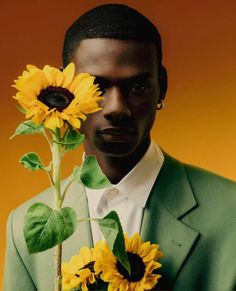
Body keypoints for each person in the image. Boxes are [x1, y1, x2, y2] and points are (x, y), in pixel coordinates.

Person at [3, 4, 236, 291]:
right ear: (65, 89)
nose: (117, 108)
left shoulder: (231, 212)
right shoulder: (23, 228)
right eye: (96, 87)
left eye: (137, 86)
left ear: (161, 87)